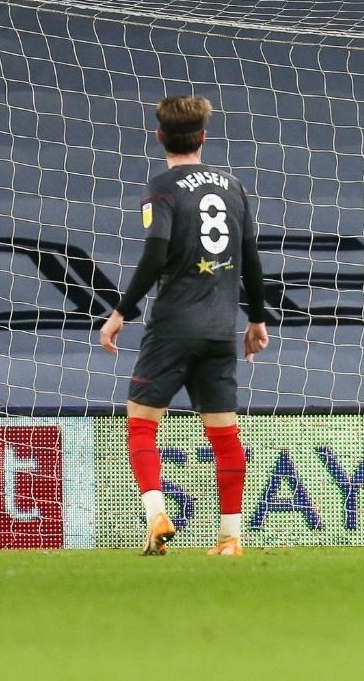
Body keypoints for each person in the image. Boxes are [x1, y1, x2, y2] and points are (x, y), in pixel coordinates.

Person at [100, 95, 270, 556]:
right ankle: (231, 538)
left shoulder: (162, 187)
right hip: (220, 328)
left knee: (141, 425)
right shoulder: (234, 186)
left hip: (174, 325)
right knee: (224, 433)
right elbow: (251, 257)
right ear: (203, 137)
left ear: (160, 137)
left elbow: (155, 254)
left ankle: (156, 512)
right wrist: (255, 316)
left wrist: (121, 312)